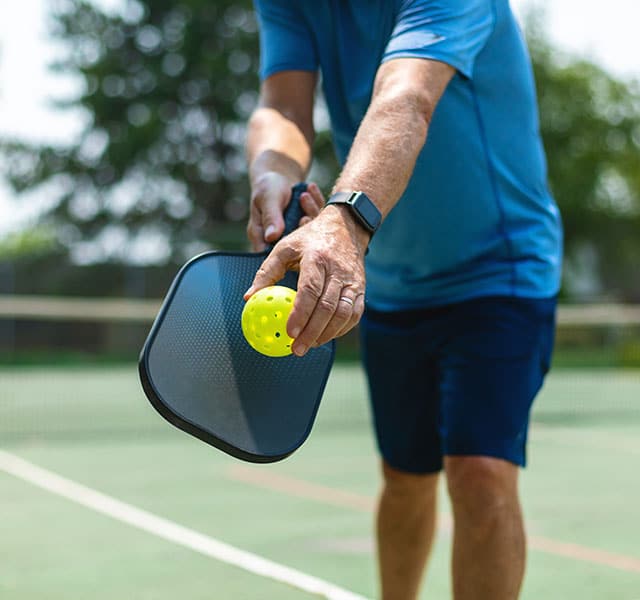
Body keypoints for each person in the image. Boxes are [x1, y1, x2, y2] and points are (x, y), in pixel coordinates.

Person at [243, 1, 563, 599]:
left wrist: (344, 222)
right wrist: (270, 172)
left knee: (480, 472)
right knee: (406, 474)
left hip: (500, 269)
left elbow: (405, 96)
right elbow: (283, 105)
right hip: (389, 277)